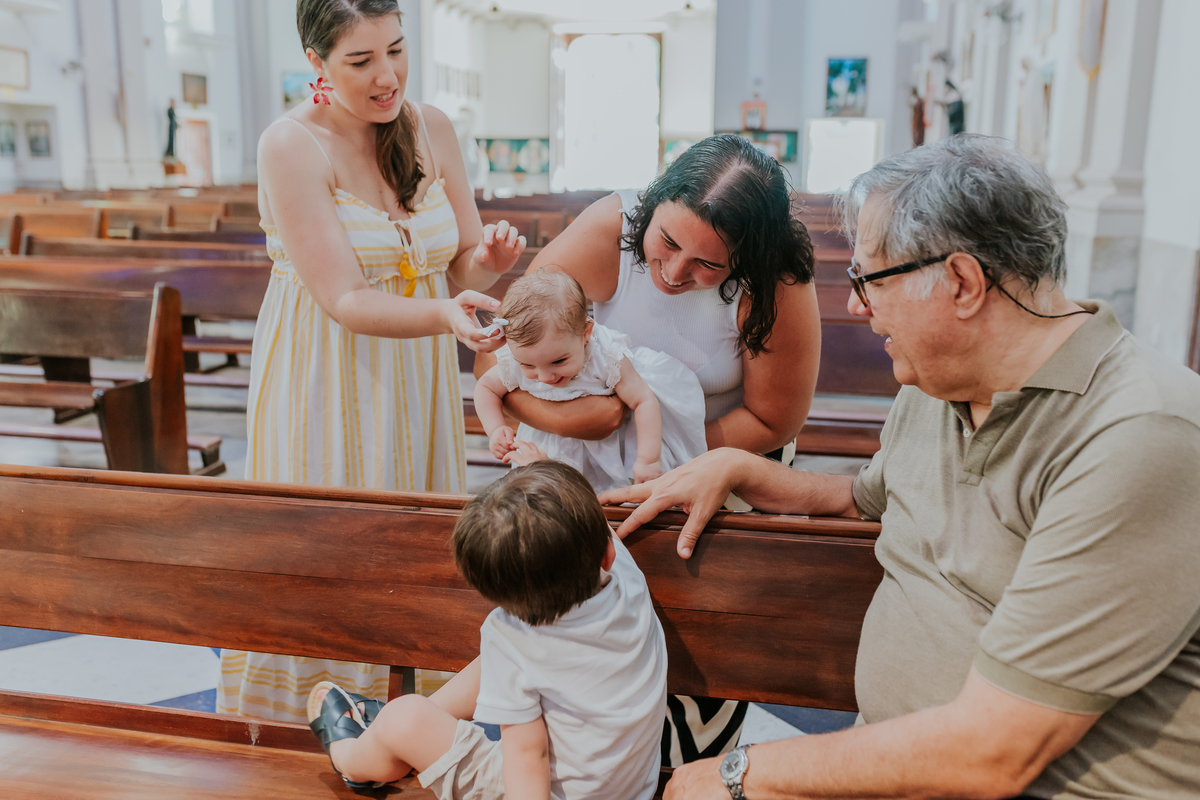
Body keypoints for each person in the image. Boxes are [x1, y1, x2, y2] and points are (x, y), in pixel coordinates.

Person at [603, 134, 1200, 799]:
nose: (856, 306)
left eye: (868, 278)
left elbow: (995, 752)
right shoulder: (937, 385)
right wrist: (738, 469)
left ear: (963, 283)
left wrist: (741, 773)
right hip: (899, 766)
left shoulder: (1140, 435)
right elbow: (865, 498)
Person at [218, 0, 525, 724]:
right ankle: (315, 720)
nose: (387, 76)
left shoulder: (433, 128)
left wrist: (493, 261)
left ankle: (407, 725)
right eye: (361, 61)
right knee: (334, 544)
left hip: (413, 374)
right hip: (324, 375)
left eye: (395, 49)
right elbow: (345, 298)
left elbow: (459, 269)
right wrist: (445, 315)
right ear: (316, 61)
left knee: (413, 541)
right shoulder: (290, 145)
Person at [475, 135, 822, 763]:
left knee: (692, 656)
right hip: (584, 467)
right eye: (667, 242)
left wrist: (663, 447)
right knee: (576, 631)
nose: (675, 272)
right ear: (652, 205)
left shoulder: (777, 281)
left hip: (717, 466)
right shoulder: (613, 228)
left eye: (709, 265)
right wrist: (591, 424)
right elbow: (505, 346)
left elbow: (773, 417)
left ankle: (684, 769)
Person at [306, 461, 668, 799]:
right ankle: (392, 733)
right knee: (503, 669)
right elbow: (597, 531)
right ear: (607, 555)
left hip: (542, 788)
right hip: (629, 789)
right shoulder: (628, 582)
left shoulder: (508, 636)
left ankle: (354, 760)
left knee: (405, 717)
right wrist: (547, 475)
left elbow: (529, 757)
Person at [474, 270, 707, 491]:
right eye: (528, 366)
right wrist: (495, 428)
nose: (545, 377)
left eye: (559, 362)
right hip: (548, 444)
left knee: (611, 497)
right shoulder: (516, 359)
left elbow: (643, 400)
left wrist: (647, 459)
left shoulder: (606, 356)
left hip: (609, 449)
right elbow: (486, 388)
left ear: (586, 333)